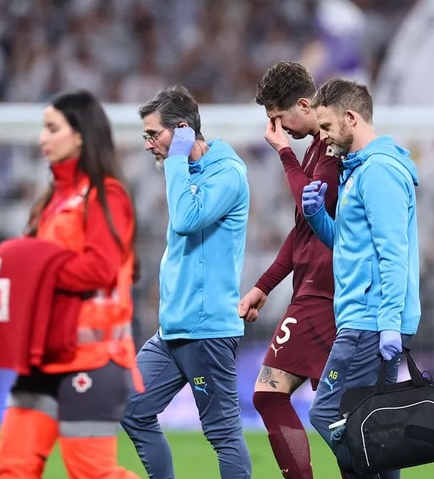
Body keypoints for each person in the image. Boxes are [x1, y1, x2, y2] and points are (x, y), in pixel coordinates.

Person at [0, 90, 142, 479]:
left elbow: (101, 271)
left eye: (51, 128)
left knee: (92, 473)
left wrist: (36, 270)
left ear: (80, 135)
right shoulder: (49, 202)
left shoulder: (105, 195)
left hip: (92, 358)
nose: (42, 137)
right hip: (42, 356)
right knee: (14, 467)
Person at [121, 85, 252, 479]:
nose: (147, 145)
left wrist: (177, 160)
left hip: (207, 329)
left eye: (152, 134)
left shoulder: (228, 174)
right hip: (173, 329)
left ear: (181, 131)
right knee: (132, 408)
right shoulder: (189, 172)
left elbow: (186, 218)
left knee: (223, 434)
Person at [301, 78, 421, 479]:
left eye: (327, 126)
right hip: (367, 318)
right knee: (376, 427)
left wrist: (389, 322)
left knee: (333, 417)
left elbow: (393, 253)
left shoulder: (379, 172)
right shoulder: (360, 170)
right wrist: (320, 219)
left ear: (350, 118)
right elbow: (353, 245)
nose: (323, 137)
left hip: (370, 322)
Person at [237, 61, 338, 479]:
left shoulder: (331, 146)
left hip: (324, 292)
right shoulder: (315, 147)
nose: (276, 130)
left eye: (278, 119)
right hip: (312, 289)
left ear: (302, 103)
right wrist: (264, 286)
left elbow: (309, 206)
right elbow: (301, 230)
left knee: (269, 394)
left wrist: (283, 154)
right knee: (338, 416)